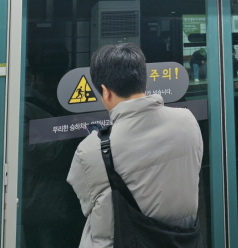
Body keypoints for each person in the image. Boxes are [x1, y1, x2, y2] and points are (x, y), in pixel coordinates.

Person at [67, 43, 203, 248]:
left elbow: (86, 205)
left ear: (105, 91)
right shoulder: (187, 120)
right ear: (144, 81)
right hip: (182, 241)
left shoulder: (91, 150)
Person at [22, 43, 85, 248]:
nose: (53, 84)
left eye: (58, 78)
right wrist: (74, 129)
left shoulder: (73, 104)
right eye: (47, 78)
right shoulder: (24, 110)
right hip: (43, 206)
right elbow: (40, 157)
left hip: (76, 202)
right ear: (34, 76)